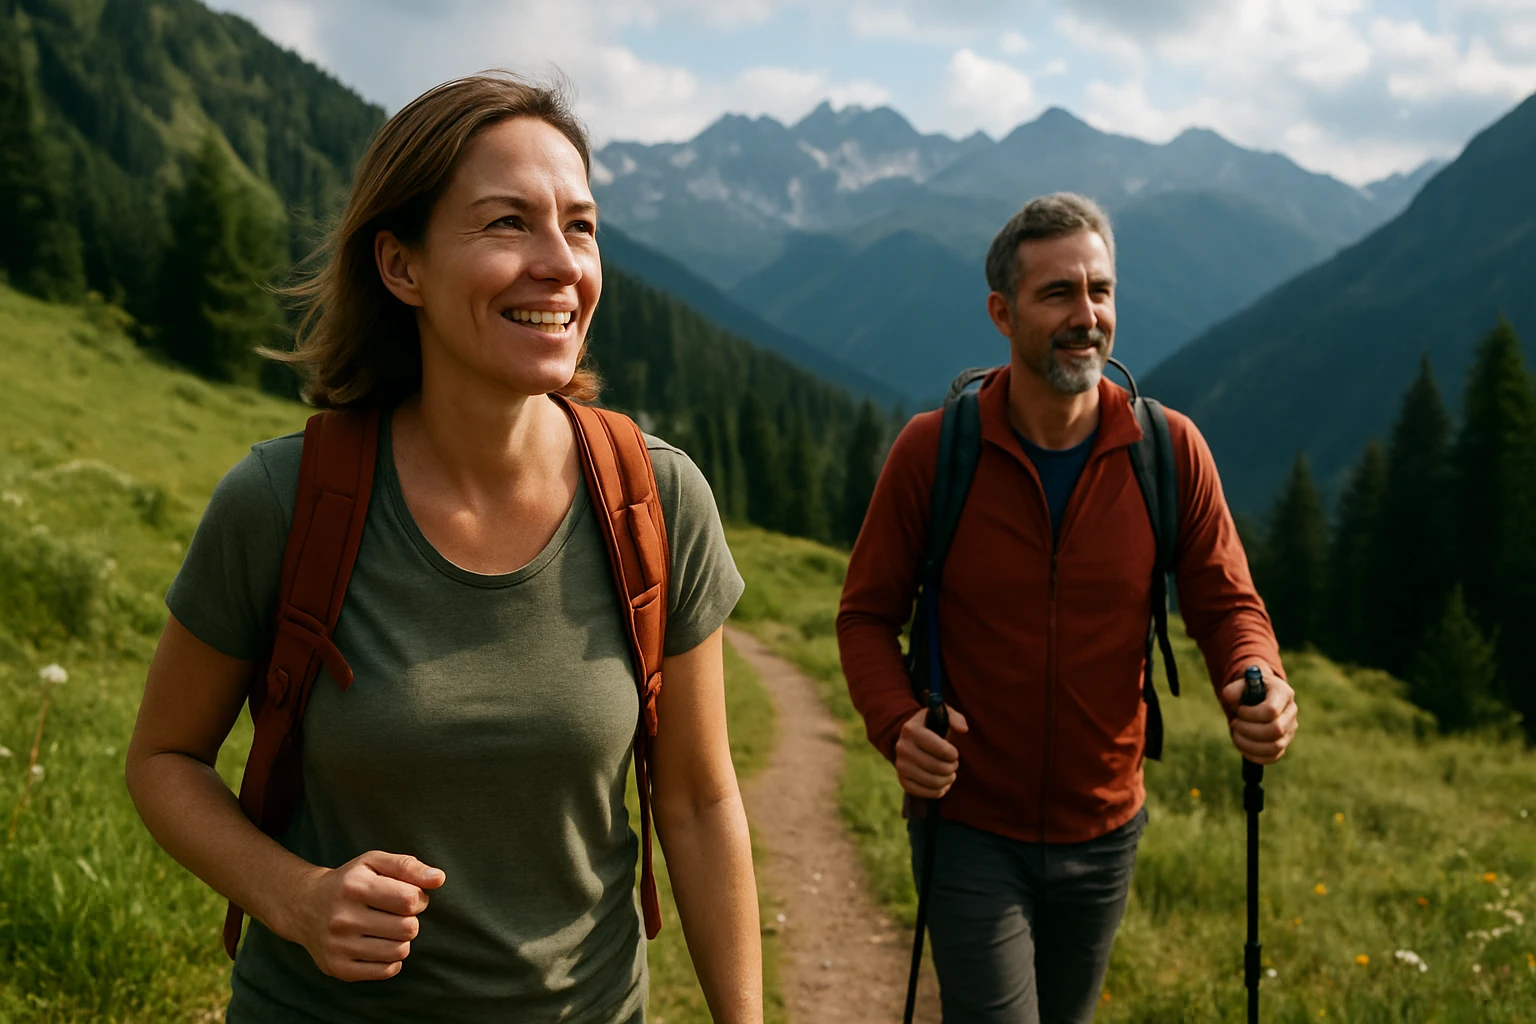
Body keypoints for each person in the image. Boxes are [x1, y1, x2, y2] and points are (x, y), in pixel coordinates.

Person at [124, 73, 762, 1024]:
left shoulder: (655, 498)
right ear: (401, 266)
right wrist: (297, 899)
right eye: (507, 223)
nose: (560, 264)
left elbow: (702, 804)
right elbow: (164, 759)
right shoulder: (284, 501)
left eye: (580, 226)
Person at [836, 192, 1300, 1023]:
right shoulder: (934, 453)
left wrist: (1253, 672)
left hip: (1105, 828)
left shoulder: (1167, 451)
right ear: (1002, 313)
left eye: (1101, 291)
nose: (1087, 315)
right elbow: (865, 616)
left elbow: (1227, 601)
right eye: (1058, 294)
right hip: (968, 823)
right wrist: (896, 721)